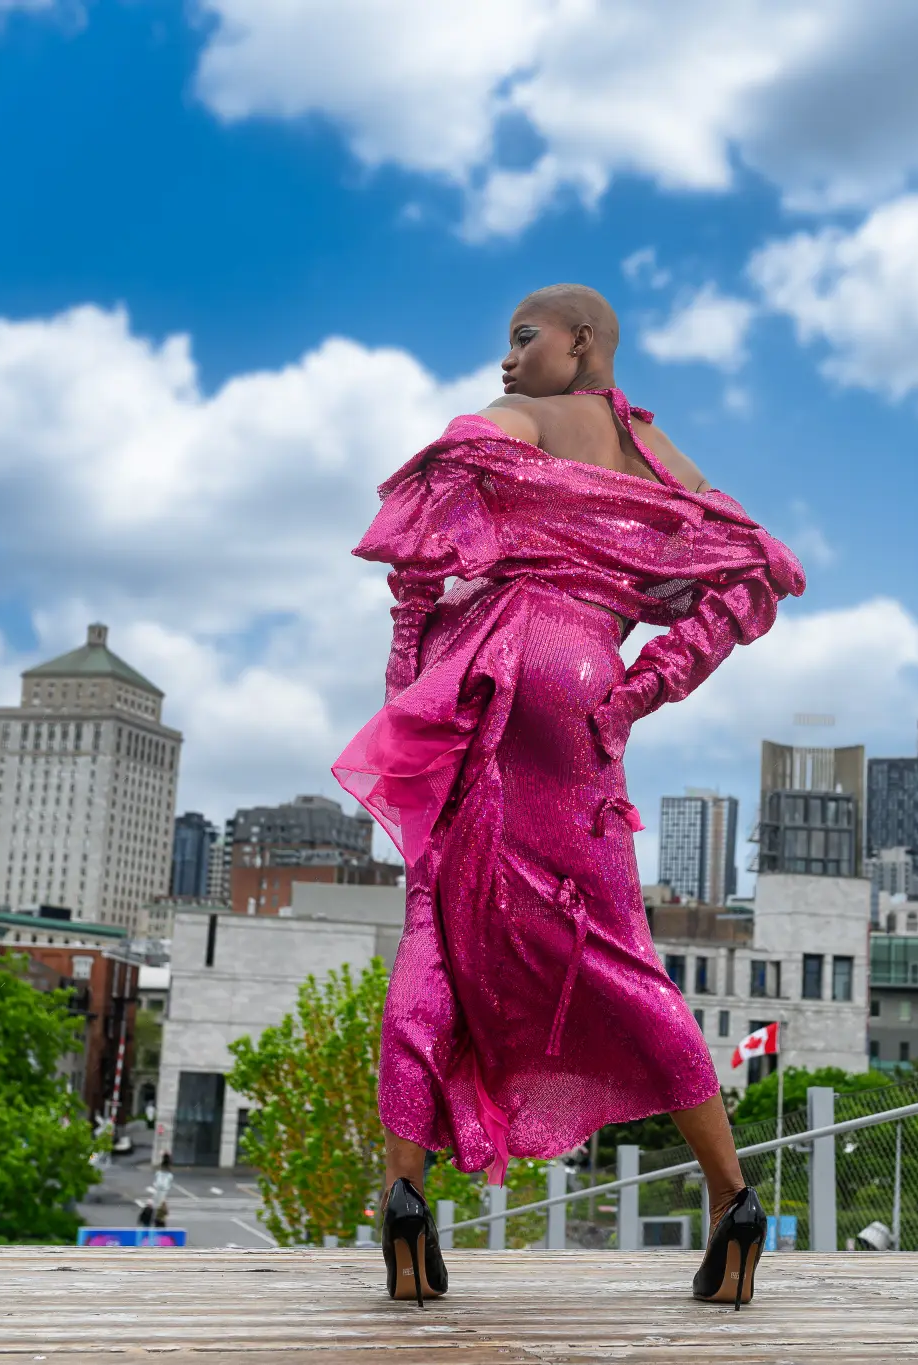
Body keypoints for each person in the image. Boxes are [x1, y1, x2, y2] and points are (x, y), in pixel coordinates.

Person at [334, 284, 804, 1309]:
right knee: (615, 948)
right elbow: (751, 572)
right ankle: (733, 1202)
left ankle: (403, 1202)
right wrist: (639, 689)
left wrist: (411, 671)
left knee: (436, 927)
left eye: (522, 337)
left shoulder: (520, 423)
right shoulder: (652, 450)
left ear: (579, 341)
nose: (505, 361)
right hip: (586, 676)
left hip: (495, 669)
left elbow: (441, 489)